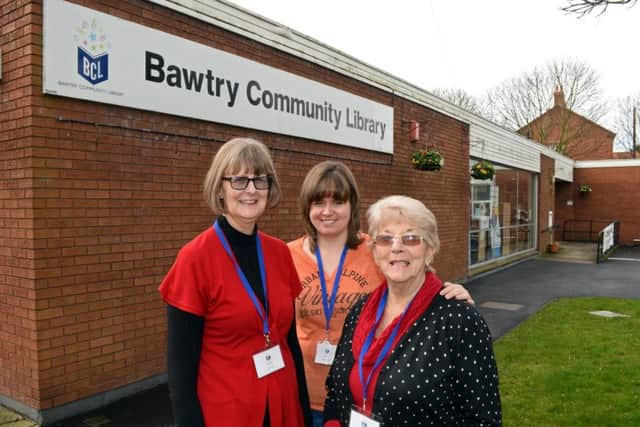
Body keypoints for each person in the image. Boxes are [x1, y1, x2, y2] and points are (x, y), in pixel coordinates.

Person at [287, 162, 476, 427]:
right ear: (306, 207)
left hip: (378, 395)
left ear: (352, 206)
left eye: (338, 202)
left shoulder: (377, 247)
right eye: (318, 202)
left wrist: (453, 292)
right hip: (305, 396)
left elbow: (415, 278)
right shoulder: (286, 256)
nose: (327, 211)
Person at [159, 138, 311, 427]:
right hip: (227, 412)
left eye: (259, 180)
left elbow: (289, 340)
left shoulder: (279, 252)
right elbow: (181, 368)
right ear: (220, 188)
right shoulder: (195, 258)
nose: (251, 190)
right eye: (239, 180)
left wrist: (302, 411)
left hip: (283, 405)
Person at [323, 195, 501, 426]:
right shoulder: (360, 310)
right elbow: (336, 393)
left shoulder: (459, 320)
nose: (397, 248)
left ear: (430, 250)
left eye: (411, 238)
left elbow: (483, 419)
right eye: (386, 239)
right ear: (375, 251)